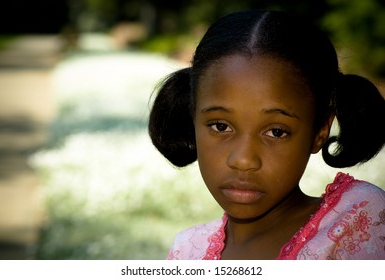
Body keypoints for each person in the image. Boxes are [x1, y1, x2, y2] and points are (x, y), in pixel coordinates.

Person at [148, 10, 385, 260]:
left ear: (320, 131)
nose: (243, 160)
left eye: (276, 131)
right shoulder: (186, 253)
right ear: (193, 118)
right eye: (220, 126)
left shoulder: (361, 220)